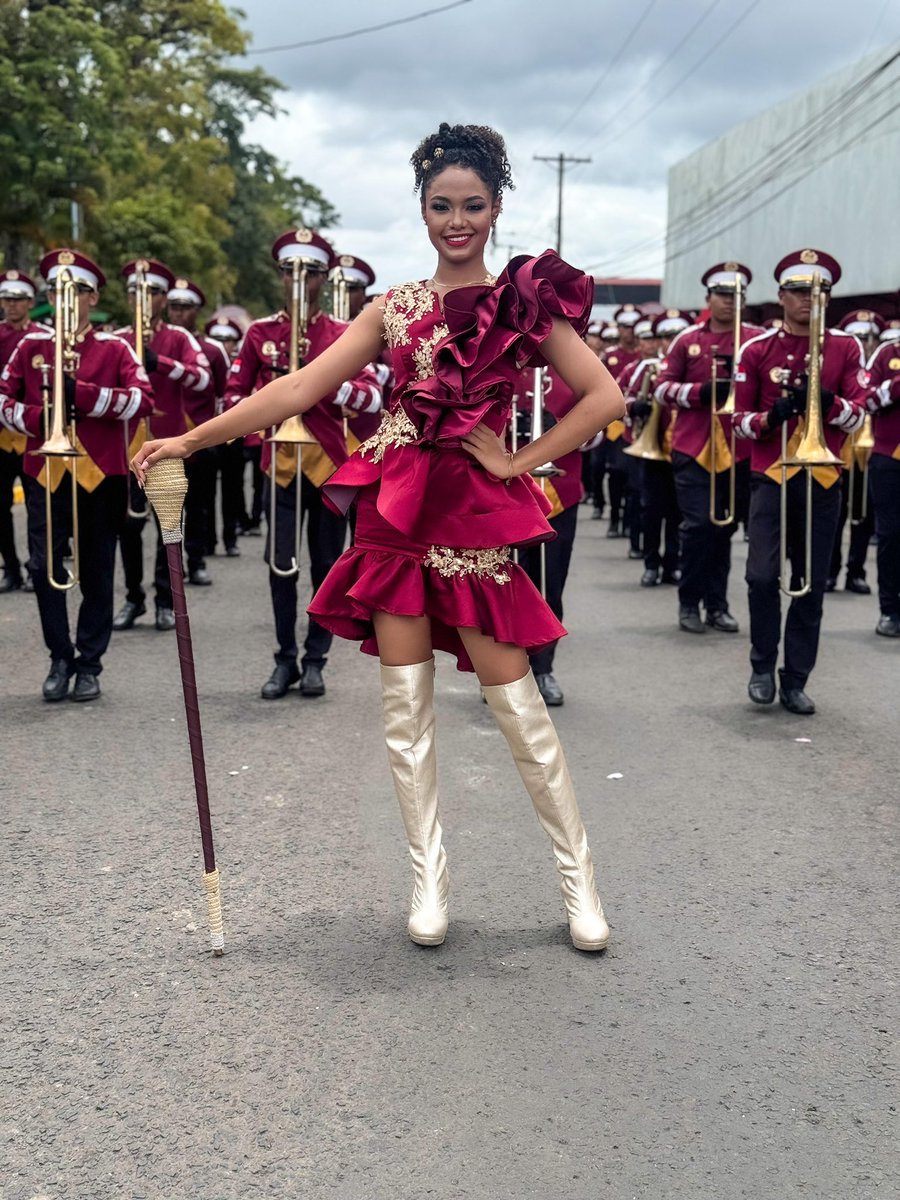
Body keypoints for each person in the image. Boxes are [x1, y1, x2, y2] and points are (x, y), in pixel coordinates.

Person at [133, 122, 625, 952]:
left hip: (471, 518)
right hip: (394, 518)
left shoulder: (521, 305)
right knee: (407, 714)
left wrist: (518, 464)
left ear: (496, 208)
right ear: (422, 212)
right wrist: (190, 439)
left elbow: (603, 396)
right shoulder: (392, 308)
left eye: (472, 205)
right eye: (441, 205)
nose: (456, 220)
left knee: (519, 710)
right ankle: (428, 882)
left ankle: (581, 887)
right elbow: (296, 386)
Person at [221, 229, 383, 700]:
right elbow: (231, 398)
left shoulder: (343, 334)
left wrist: (320, 381)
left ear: (322, 279)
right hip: (280, 461)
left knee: (326, 564)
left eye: (311, 272)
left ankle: (316, 660)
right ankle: (284, 659)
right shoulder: (260, 334)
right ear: (279, 276)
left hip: (330, 466)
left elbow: (373, 396)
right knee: (280, 564)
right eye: (292, 271)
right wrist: (269, 401)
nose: (300, 280)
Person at [0, 249, 152, 700]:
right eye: (56, 290)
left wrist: (80, 396)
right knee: (43, 566)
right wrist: (42, 415)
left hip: (100, 475)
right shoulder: (31, 347)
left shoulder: (114, 347)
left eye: (78, 290)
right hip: (44, 470)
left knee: (97, 571)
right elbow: (2, 400)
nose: (66, 299)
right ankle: (59, 656)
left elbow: (141, 399)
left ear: (93, 298)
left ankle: (89, 662)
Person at [733, 248, 867, 714]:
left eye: (818, 292)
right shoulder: (756, 349)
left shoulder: (847, 348)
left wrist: (828, 403)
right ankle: (761, 666)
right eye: (799, 291)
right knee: (761, 576)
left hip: (824, 474)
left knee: (810, 583)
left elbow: (858, 417)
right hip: (771, 473)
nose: (809, 299)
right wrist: (775, 417)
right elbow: (739, 423)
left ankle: (795, 679)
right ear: (781, 297)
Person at [654, 262, 762, 634]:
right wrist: (701, 393)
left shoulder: (755, 341)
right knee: (699, 526)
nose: (730, 302)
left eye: (737, 296)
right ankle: (689, 601)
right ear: (708, 298)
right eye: (723, 295)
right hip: (695, 446)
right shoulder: (688, 340)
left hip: (739, 448)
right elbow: (661, 389)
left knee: (725, 527)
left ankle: (717, 605)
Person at [113, 259, 214, 631]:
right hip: (125, 446)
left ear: (162, 298)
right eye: (136, 292)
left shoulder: (179, 337)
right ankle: (133, 598)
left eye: (152, 292)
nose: (143, 299)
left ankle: (163, 599)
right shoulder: (118, 338)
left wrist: (163, 363)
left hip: (165, 444)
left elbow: (203, 378)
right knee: (128, 526)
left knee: (168, 526)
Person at [165, 278, 240, 557]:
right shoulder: (159, 345)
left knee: (200, 501)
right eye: (173, 306)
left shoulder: (212, 350)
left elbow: (224, 392)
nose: (178, 312)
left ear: (197, 310)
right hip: (165, 435)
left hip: (201, 437)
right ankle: (172, 563)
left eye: (185, 307)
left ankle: (197, 558)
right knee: (168, 504)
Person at [824, 310, 884, 594]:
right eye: (859, 337)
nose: (865, 343)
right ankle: (830, 570)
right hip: (844, 446)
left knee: (866, 513)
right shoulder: (850, 364)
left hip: (873, 450)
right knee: (837, 511)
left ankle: (856, 571)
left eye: (870, 337)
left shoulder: (883, 365)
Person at [0, 269, 43, 593]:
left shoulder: (42, 336)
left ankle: (35, 567)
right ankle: (10, 568)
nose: (10, 305)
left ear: (30, 301)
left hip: (32, 433)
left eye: (17, 299)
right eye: (6, 299)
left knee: (37, 507)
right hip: (0, 434)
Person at [864, 324, 900, 637]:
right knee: (890, 535)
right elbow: (867, 400)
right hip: (890, 458)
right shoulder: (887, 353)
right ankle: (890, 609)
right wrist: (897, 386)